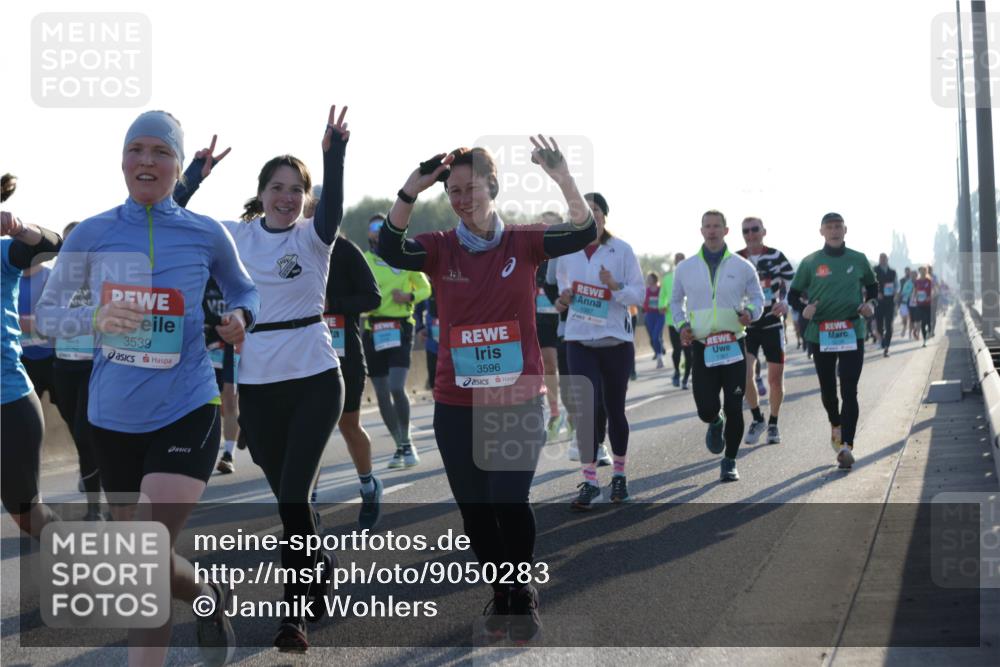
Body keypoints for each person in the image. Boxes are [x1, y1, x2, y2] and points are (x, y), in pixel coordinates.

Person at [35, 111, 258, 667]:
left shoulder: (206, 232)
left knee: (142, 557)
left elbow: (245, 291)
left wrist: (238, 319)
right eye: (136, 149)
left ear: (177, 164)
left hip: (187, 405)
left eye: (160, 151)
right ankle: (206, 597)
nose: (147, 161)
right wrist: (96, 320)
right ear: (122, 161)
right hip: (112, 417)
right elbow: (46, 316)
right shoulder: (92, 232)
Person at [378, 137, 596, 644]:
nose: (460, 199)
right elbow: (389, 246)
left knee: (508, 498)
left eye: (469, 189)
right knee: (476, 509)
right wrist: (415, 184)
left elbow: (584, 230)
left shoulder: (522, 242)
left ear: (492, 188)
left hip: (517, 398)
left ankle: (521, 592)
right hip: (456, 402)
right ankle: (502, 592)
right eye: (452, 191)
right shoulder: (440, 247)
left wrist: (562, 176)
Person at [183, 106, 349, 653]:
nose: (287, 197)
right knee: (289, 499)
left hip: (316, 379)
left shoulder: (314, 236)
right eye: (278, 187)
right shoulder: (234, 236)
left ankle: (293, 616)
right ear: (261, 192)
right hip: (257, 387)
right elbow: (171, 217)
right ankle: (319, 564)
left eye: (296, 189)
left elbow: (335, 206)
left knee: (295, 498)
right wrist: (192, 176)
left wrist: (333, 153)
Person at [556, 192, 644, 508]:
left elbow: (638, 295)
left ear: (605, 215)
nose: (589, 216)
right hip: (579, 340)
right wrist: (563, 300)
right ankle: (590, 480)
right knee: (586, 408)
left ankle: (619, 476)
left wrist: (615, 287)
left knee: (614, 408)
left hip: (615, 342)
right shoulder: (565, 252)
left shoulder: (621, 250)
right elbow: (561, 297)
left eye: (594, 210)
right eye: (581, 211)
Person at [671, 210, 763, 482]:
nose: (712, 231)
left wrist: (751, 313)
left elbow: (757, 299)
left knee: (735, 406)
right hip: (702, 345)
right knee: (705, 407)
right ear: (701, 231)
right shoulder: (685, 268)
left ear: (726, 230)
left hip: (734, 343)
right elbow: (676, 302)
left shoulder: (742, 266)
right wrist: (681, 325)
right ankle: (714, 421)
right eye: (707, 227)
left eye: (716, 226)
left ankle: (730, 460)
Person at [787, 212, 877, 470]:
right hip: (821, 332)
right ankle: (835, 424)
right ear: (822, 232)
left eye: (838, 226)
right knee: (828, 391)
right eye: (830, 227)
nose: (834, 231)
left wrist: (869, 303)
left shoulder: (858, 259)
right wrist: (803, 308)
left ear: (845, 230)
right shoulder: (810, 262)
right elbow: (793, 295)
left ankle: (847, 446)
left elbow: (872, 287)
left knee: (849, 388)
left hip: (852, 329)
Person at [2, 207, 63, 539]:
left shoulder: (2, 253)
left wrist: (20, 228)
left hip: (8, 402)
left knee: (27, 515)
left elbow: (54, 245)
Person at [322, 225, 384, 530]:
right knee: (312, 431)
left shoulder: (346, 252)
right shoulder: (292, 251)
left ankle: (369, 487)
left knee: (348, 425)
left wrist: (334, 305)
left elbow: (373, 298)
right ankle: (310, 505)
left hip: (345, 355)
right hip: (305, 358)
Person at [364, 214, 432, 469]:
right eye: (373, 228)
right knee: (381, 392)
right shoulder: (365, 260)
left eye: (382, 227)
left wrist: (409, 295)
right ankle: (400, 445)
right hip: (373, 329)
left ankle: (407, 440)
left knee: (395, 386)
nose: (378, 231)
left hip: (401, 327)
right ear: (369, 234)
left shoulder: (404, 258)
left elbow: (427, 289)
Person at [50, 221, 104, 520]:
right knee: (77, 432)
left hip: (96, 365)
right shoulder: (57, 277)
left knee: (86, 435)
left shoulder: (105, 275)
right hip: (63, 365)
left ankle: (95, 508)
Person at [736, 217, 794, 446]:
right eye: (746, 231)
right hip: (747, 325)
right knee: (745, 372)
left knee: (775, 379)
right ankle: (757, 418)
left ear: (763, 231)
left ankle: (773, 423)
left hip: (772, 322)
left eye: (754, 230)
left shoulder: (776, 256)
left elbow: (793, 283)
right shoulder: (736, 258)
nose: (750, 234)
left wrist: (786, 302)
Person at [535, 211, 565, 441]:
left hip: (564, 318)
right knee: (548, 365)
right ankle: (554, 412)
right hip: (540, 319)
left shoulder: (567, 253)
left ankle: (573, 413)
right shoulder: (533, 255)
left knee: (566, 369)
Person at [658, 252, 692, 389]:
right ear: (674, 263)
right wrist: (662, 306)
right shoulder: (667, 279)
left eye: (682, 260)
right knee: (677, 350)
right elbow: (663, 296)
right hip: (673, 321)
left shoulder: (692, 277)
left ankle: (685, 378)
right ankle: (677, 373)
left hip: (690, 321)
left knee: (688, 352)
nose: (679, 263)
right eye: (677, 261)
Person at [873, 253, 897, 357]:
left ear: (887, 259)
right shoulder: (874, 270)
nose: (883, 260)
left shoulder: (893, 272)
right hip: (878, 302)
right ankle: (882, 340)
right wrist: (876, 293)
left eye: (884, 258)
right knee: (879, 326)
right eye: (881, 258)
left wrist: (896, 292)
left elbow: (897, 285)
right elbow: (869, 284)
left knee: (889, 325)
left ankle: (887, 346)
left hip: (890, 302)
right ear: (879, 259)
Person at [643, 272, 666, 369]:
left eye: (649, 278)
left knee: (656, 336)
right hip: (649, 315)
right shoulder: (646, 290)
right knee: (653, 338)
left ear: (654, 279)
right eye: (647, 278)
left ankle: (660, 358)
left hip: (659, 315)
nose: (648, 280)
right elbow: (643, 301)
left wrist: (664, 307)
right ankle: (658, 355)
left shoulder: (661, 289)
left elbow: (666, 298)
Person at [911, 266, 934, 347]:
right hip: (919, 304)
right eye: (921, 271)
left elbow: (932, 291)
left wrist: (930, 296)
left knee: (928, 321)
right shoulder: (917, 281)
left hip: (927, 304)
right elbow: (915, 290)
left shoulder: (929, 281)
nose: (922, 273)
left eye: (924, 271)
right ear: (919, 272)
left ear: (926, 272)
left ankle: (930, 331)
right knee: (923, 323)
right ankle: (924, 340)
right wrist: (914, 297)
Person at [898, 267, 912, 337]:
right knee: (904, 318)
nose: (907, 273)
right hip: (903, 301)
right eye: (906, 271)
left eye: (908, 271)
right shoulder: (901, 281)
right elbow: (899, 291)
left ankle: (909, 332)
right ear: (905, 272)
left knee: (911, 317)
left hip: (911, 301)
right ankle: (904, 328)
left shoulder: (913, 281)